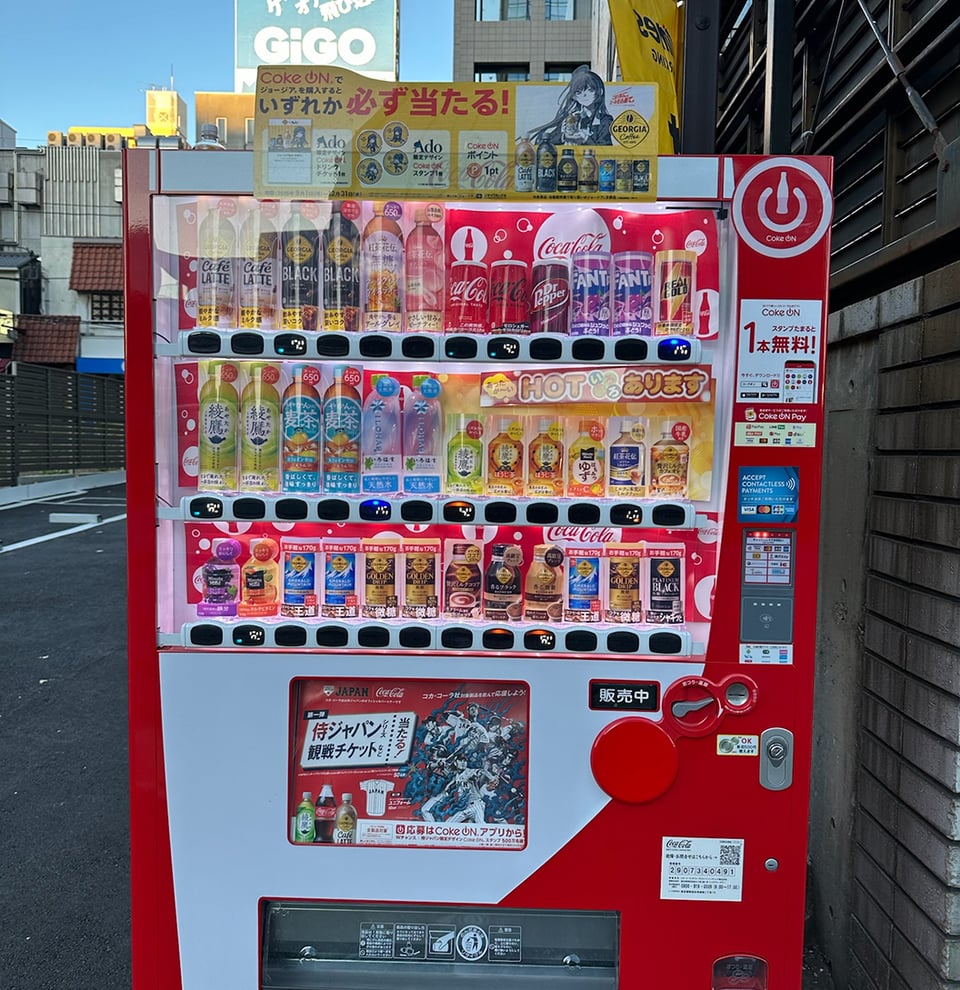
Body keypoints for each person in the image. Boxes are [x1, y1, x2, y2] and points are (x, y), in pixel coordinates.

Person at [527, 65, 613, 147]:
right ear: (574, 96)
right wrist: (563, 136)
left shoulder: (605, 120)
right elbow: (547, 141)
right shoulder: (571, 117)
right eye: (578, 92)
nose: (584, 95)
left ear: (600, 92)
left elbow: (606, 148)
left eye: (590, 90)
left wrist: (585, 138)